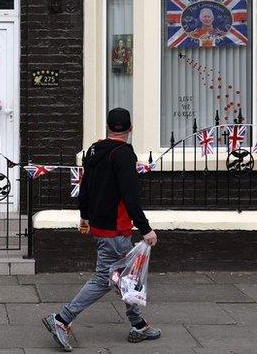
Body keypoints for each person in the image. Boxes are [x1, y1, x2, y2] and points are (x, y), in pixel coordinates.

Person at [42, 108, 161, 349]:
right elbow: (131, 196)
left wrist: (85, 216)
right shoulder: (124, 154)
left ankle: (137, 325)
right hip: (116, 229)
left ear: (107, 127)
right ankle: (62, 319)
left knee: (127, 278)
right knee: (105, 279)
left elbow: (84, 188)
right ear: (131, 129)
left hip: (99, 224)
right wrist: (145, 228)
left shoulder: (94, 151)